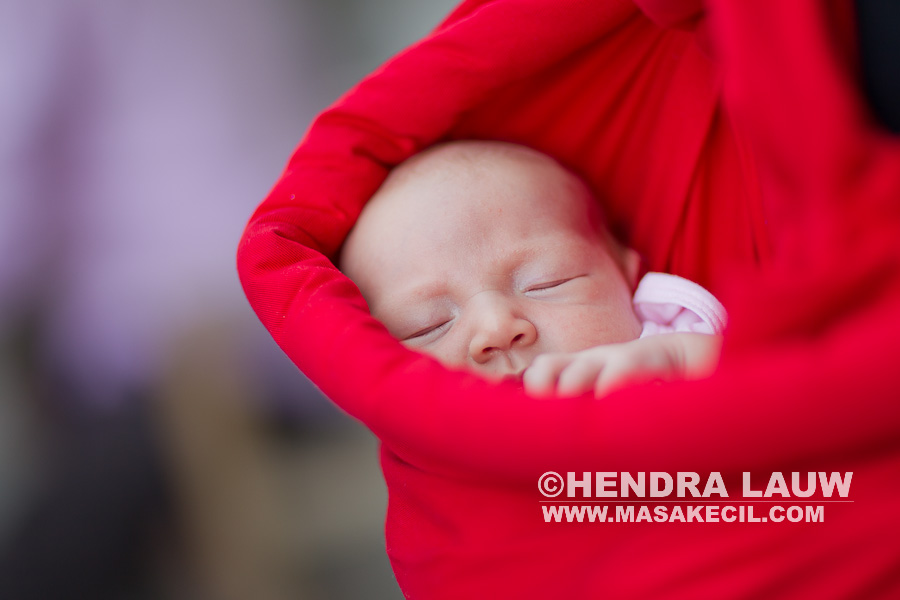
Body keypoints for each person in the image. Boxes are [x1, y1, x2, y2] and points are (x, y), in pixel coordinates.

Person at [339, 140, 725, 397]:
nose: (497, 328)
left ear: (627, 275)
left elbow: (773, 383)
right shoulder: (434, 448)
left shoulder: (673, 340)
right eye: (427, 326)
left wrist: (677, 358)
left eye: (546, 283)